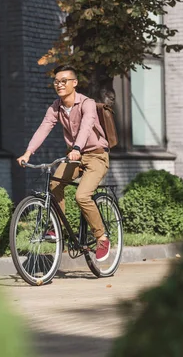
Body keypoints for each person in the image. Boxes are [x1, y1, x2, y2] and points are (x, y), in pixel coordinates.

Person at [17, 64, 111, 261]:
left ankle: (101, 237)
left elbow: (86, 126)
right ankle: (58, 228)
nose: (59, 85)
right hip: (73, 156)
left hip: (96, 155)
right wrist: (28, 152)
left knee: (82, 196)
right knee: (54, 184)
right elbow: (44, 128)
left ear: (74, 83)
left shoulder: (87, 103)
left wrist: (77, 148)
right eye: (56, 81)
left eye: (63, 81)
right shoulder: (55, 107)